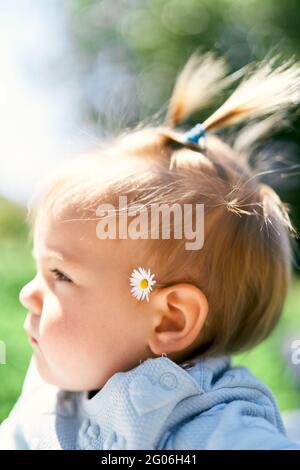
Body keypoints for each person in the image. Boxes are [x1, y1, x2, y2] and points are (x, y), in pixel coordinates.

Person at [1, 52, 300, 450]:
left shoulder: (222, 432)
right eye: (41, 269)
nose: (27, 293)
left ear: (171, 320)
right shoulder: (44, 402)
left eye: (60, 275)